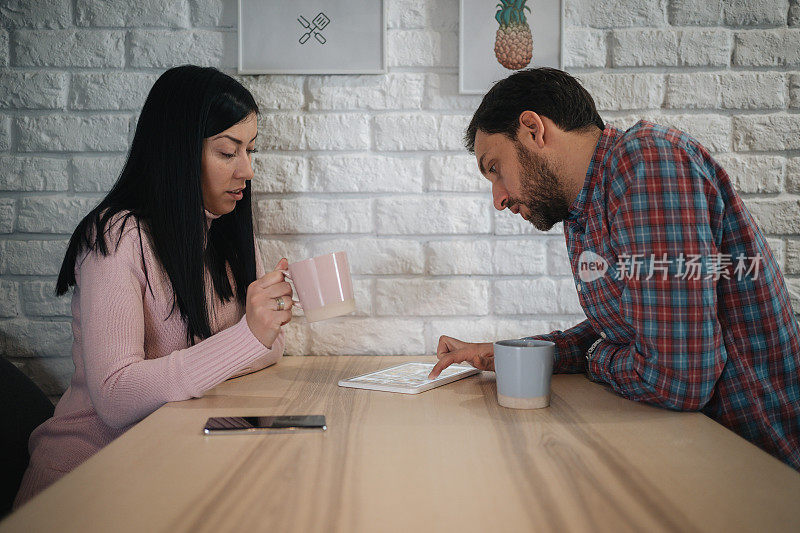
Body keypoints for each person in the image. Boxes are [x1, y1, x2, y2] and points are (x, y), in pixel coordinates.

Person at [429, 68, 800, 470]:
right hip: (691, 449)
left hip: (757, 463)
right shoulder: (581, 210)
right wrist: (510, 354)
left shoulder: (648, 162)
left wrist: (593, 356)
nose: (498, 199)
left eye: (495, 168)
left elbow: (679, 379)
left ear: (533, 129)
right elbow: (630, 323)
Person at [14, 65, 295, 507]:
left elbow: (270, 347)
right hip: (88, 479)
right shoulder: (116, 239)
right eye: (228, 152)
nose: (248, 170)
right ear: (180, 151)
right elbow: (116, 395)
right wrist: (246, 339)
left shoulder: (224, 231)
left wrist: (256, 336)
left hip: (167, 461)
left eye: (251, 151)